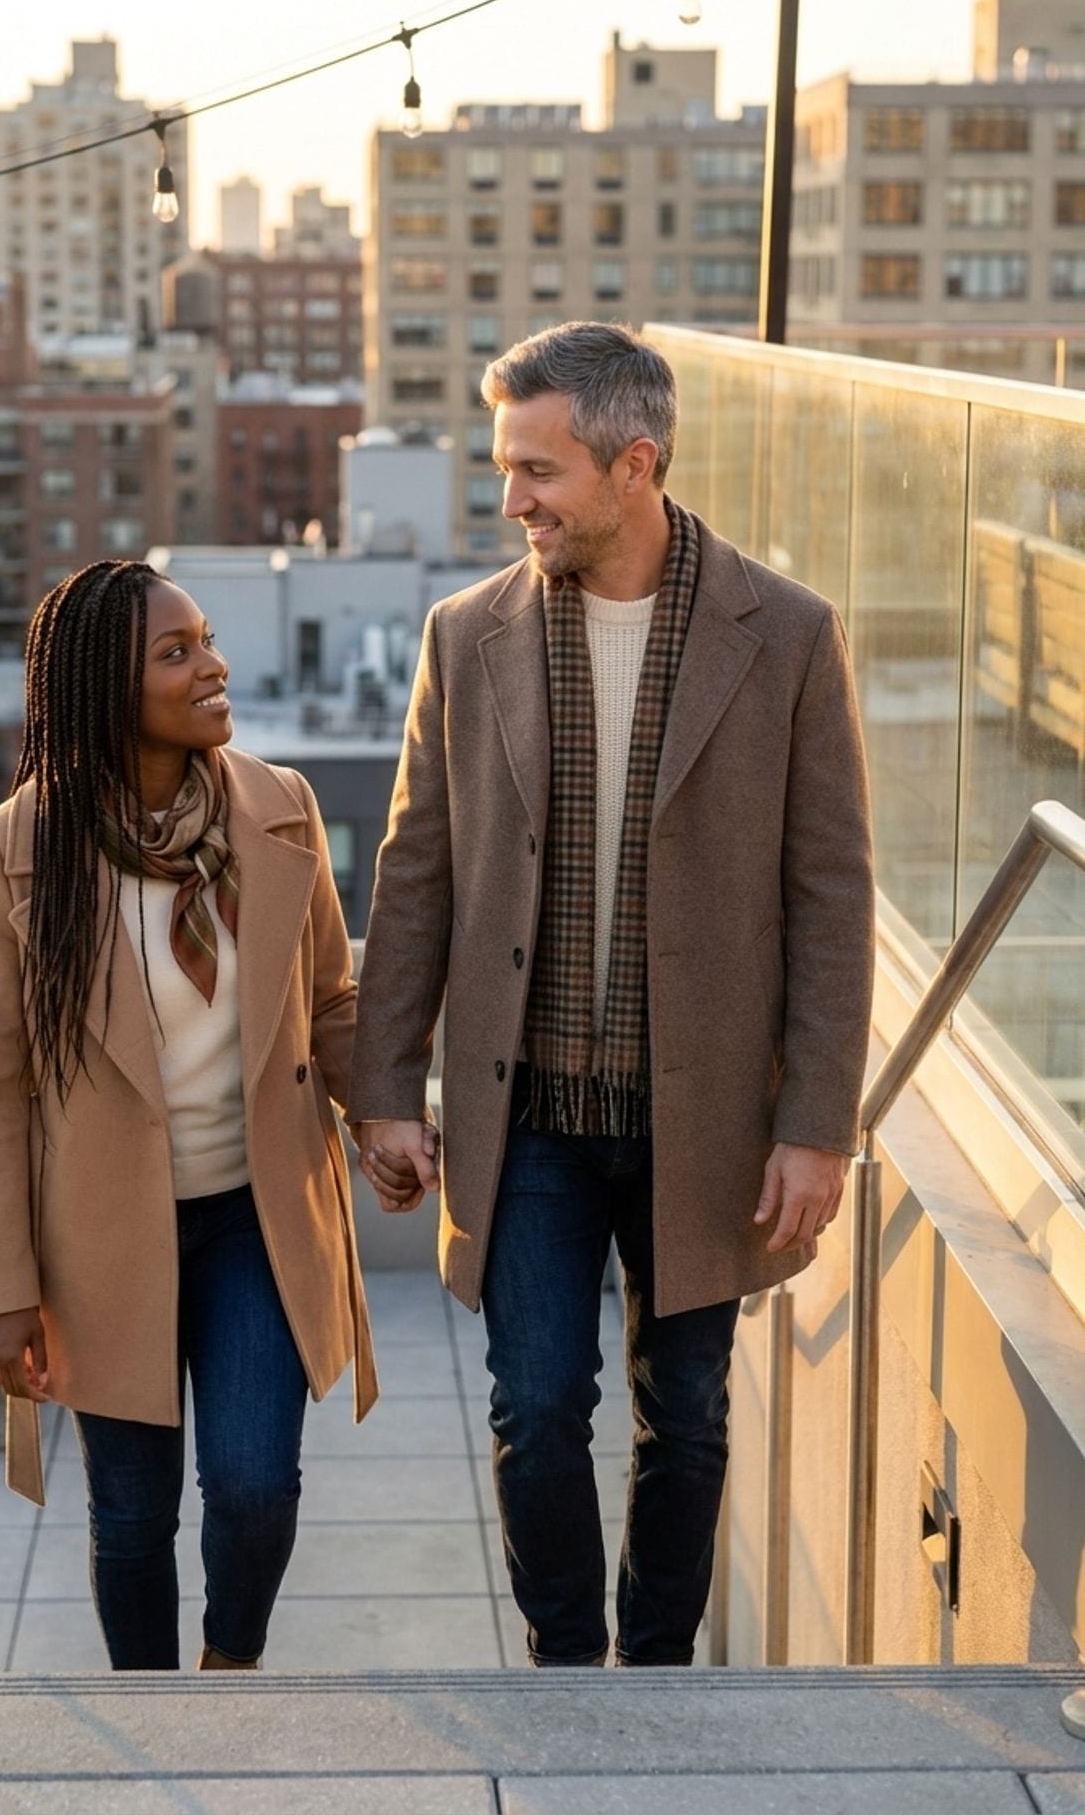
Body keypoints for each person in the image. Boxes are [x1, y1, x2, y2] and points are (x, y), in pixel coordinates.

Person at [349, 323, 874, 1669]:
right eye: (504, 467)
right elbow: (415, 872)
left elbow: (830, 897)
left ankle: (653, 1674)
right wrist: (384, 1089)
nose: (510, 498)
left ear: (633, 465)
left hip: (703, 1117)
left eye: (537, 470)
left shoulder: (790, 636)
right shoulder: (465, 635)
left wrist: (816, 1126)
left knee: (684, 1412)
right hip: (523, 1114)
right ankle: (567, 1670)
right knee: (532, 1404)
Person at [0, 558, 375, 1672]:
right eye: (175, 651)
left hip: (254, 1215)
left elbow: (331, 996)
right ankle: (150, 1710)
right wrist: (5, 1290)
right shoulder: (14, 848)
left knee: (251, 1484)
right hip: (99, 1239)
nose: (212, 664)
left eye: (208, 638)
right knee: (133, 1521)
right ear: (101, 688)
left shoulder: (281, 808)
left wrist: (381, 1113)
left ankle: (227, 1668)